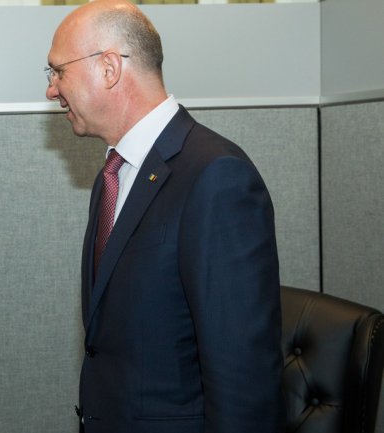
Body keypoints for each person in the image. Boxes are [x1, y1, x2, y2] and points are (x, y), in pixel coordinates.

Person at [45, 2, 284, 432]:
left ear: (108, 68)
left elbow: (243, 375)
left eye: (58, 71)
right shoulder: (112, 176)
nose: (51, 90)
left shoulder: (216, 177)